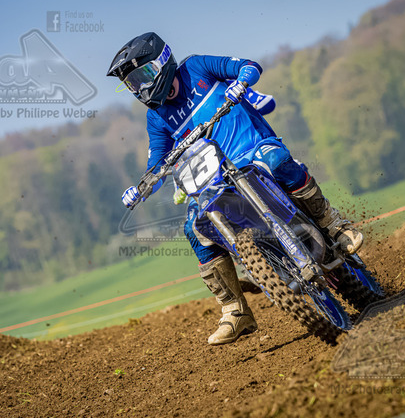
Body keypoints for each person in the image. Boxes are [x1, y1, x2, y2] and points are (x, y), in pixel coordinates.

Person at [108, 32, 363, 345]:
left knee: (277, 159)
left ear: (161, 62)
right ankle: (234, 309)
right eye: (132, 84)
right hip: (213, 178)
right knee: (193, 227)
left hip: (252, 148)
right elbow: (158, 164)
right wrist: (142, 187)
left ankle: (334, 225)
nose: (139, 87)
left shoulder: (196, 68)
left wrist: (241, 82)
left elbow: (248, 66)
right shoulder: (156, 117)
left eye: (141, 77)